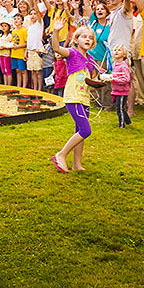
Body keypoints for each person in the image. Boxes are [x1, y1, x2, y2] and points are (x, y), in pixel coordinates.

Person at [50, 20, 104, 173]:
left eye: (90, 38)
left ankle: (77, 164)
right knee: (86, 130)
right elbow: (56, 48)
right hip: (73, 97)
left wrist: (99, 83)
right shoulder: (72, 53)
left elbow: (89, 79)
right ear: (76, 39)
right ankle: (61, 155)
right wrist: (55, 32)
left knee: (79, 131)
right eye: (84, 37)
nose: (87, 39)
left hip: (84, 97)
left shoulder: (90, 59)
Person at [109, 43, 132, 128]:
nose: (116, 51)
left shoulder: (123, 66)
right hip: (115, 90)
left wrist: (113, 80)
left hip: (122, 91)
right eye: (115, 50)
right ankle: (128, 122)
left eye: (119, 50)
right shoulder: (114, 64)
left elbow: (126, 79)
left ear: (124, 54)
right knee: (119, 107)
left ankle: (122, 125)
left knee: (120, 109)